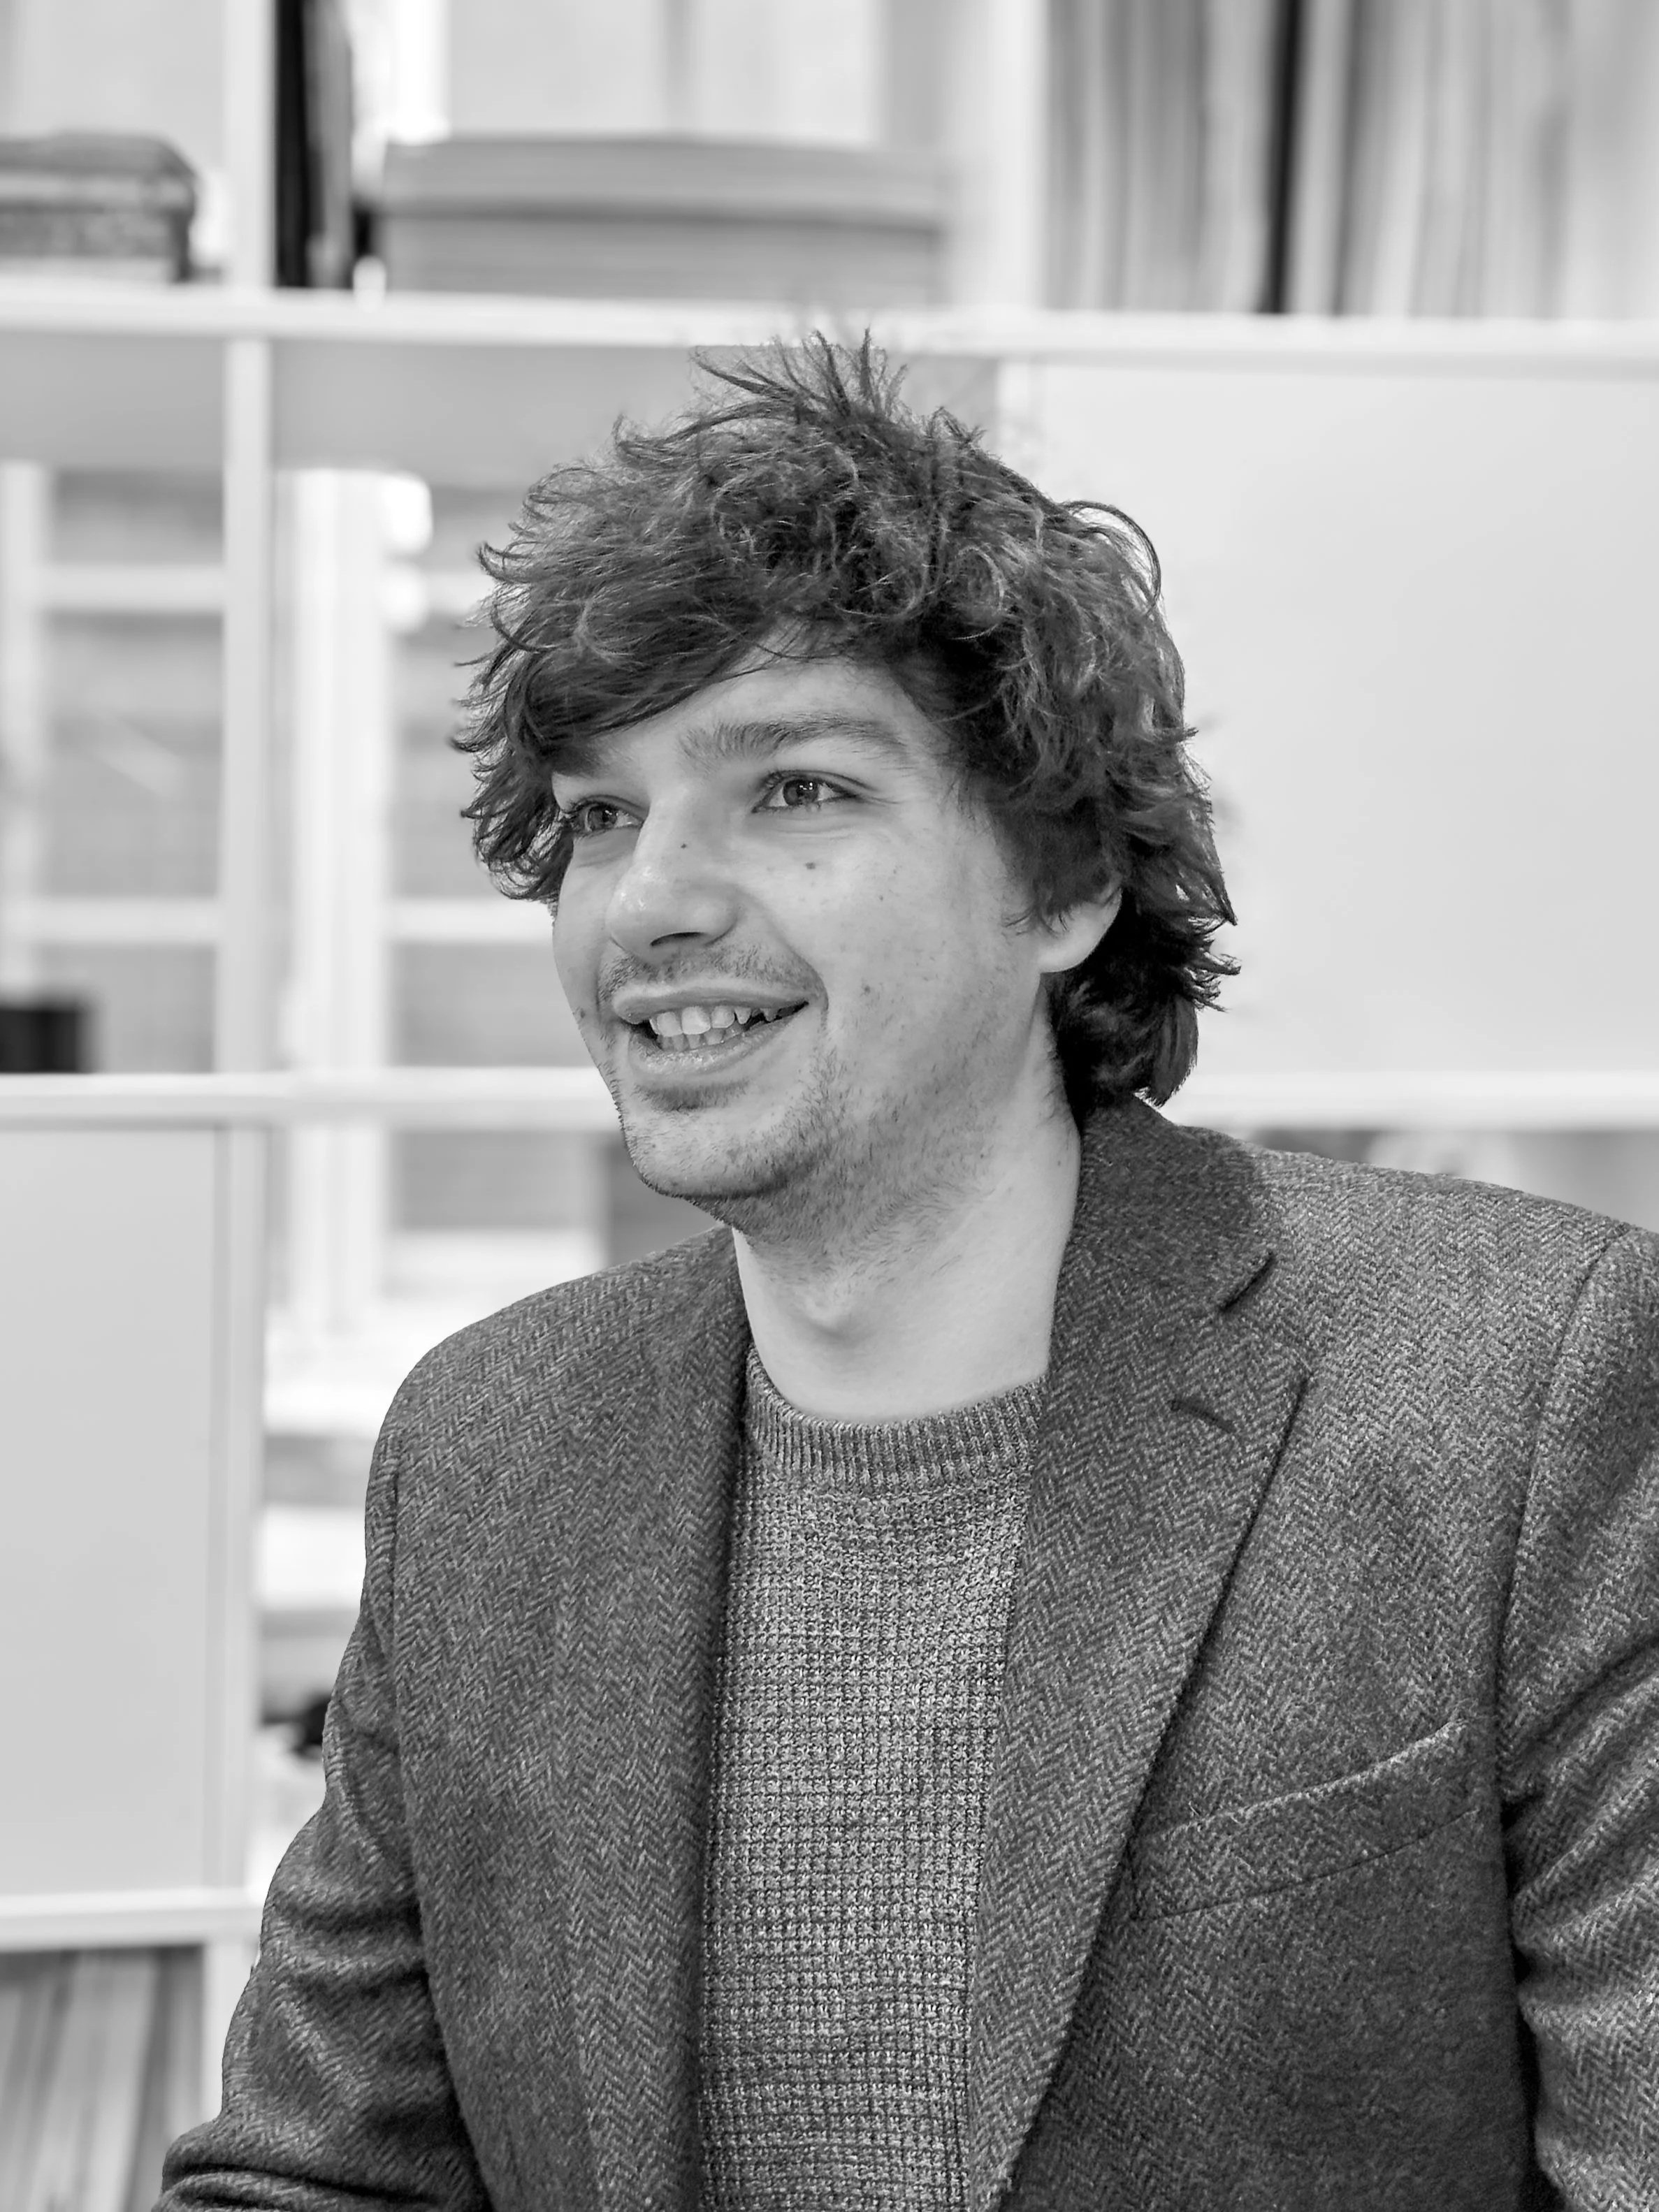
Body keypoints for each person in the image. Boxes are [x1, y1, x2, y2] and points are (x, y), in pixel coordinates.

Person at [161, 339, 1658, 2211]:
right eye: (601, 815)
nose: (649, 901)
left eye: (796, 789)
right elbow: (317, 2179)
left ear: (1065, 885)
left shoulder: (1522, 1391)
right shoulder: (489, 1448)